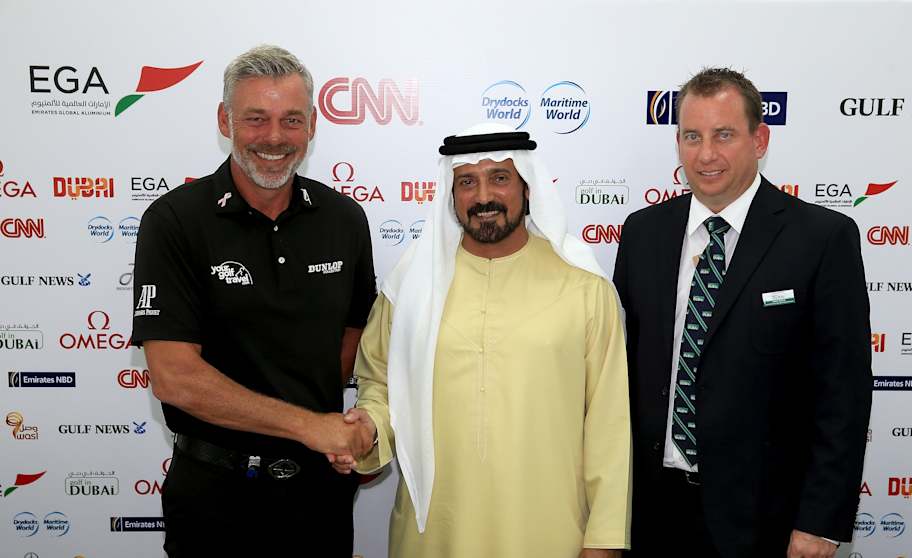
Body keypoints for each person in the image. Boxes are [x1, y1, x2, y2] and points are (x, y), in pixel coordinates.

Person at [330, 123, 631, 557]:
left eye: (500, 178)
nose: (483, 196)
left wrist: (604, 539)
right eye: (467, 182)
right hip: (434, 535)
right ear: (451, 194)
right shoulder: (411, 285)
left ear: (527, 187)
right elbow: (380, 386)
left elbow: (609, 424)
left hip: (549, 534)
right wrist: (367, 429)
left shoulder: (584, 287)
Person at [613, 68, 871, 558]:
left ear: (760, 140)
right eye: (692, 136)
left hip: (767, 521)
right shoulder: (643, 232)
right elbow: (623, 371)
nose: (705, 154)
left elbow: (844, 394)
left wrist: (820, 523)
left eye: (724, 135)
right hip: (653, 513)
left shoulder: (821, 238)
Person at [130, 45, 377, 557]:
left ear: (312, 125)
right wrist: (308, 425)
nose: (274, 137)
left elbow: (354, 337)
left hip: (318, 497)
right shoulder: (174, 221)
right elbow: (174, 377)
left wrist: (340, 432)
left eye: (291, 120)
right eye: (256, 118)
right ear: (225, 121)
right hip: (215, 500)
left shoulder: (345, 219)